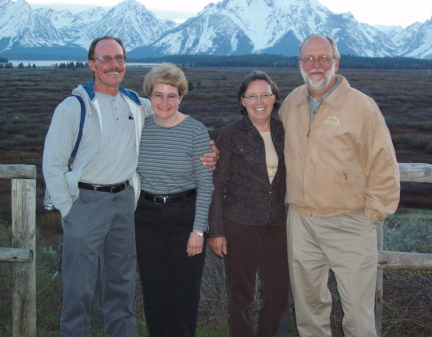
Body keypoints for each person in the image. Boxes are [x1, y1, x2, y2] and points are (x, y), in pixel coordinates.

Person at [42, 37, 217, 337]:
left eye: (119, 58)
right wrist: (68, 209)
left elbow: (170, 115)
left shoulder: (136, 104)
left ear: (125, 63)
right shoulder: (73, 107)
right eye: (105, 58)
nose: (113, 64)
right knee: (78, 293)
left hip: (125, 204)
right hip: (85, 203)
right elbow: (52, 164)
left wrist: (211, 150)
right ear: (92, 64)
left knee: (121, 291)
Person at [279, 34, 400, 337]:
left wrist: (371, 214)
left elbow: (384, 163)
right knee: (309, 312)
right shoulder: (291, 103)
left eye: (323, 58)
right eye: (309, 58)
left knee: (358, 315)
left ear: (336, 61)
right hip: (301, 221)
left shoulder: (362, 107)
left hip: (350, 222)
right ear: (300, 63)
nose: (315, 65)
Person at [134, 63, 214, 337]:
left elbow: (206, 185)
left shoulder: (195, 131)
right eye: (158, 94)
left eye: (171, 95)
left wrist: (198, 231)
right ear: (149, 96)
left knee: (184, 295)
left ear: (181, 97)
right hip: (145, 218)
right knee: (154, 293)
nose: (164, 102)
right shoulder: (139, 129)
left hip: (185, 217)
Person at [209, 71, 289, 337]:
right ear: (242, 101)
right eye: (251, 95)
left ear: (274, 98)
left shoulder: (285, 131)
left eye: (265, 94)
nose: (259, 101)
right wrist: (217, 231)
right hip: (239, 225)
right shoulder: (229, 135)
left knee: (277, 295)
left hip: (277, 225)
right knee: (241, 296)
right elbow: (217, 186)